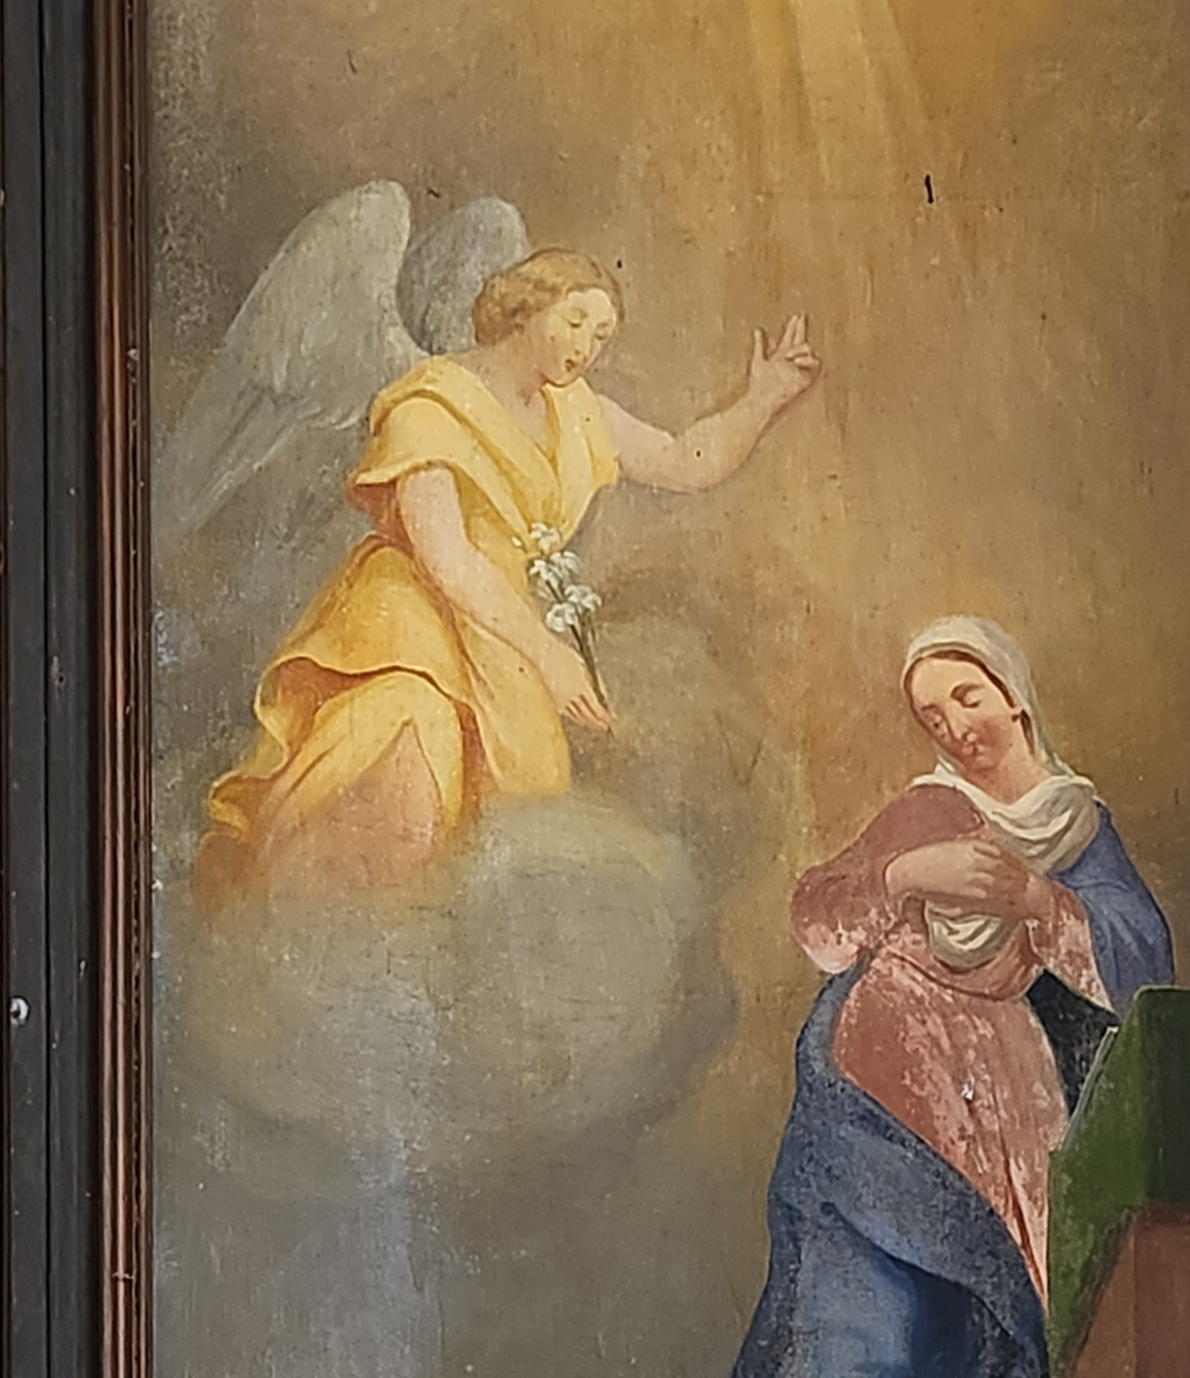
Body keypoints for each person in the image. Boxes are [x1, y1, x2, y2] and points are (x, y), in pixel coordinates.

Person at [693, 614, 1174, 1378]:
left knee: (984, 1329)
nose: (953, 726)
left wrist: (1039, 902)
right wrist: (906, 873)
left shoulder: (1076, 823)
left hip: (1005, 1106)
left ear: (1014, 696)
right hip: (877, 1087)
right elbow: (822, 917)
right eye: (931, 714)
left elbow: (1144, 961)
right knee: (863, 1324)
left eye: (967, 697)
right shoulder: (928, 808)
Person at [197, 250, 818, 899]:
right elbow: (448, 559)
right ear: (526, 308)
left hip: (498, 633)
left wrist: (763, 399)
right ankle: (284, 902)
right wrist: (548, 656)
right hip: (410, 621)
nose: (585, 347)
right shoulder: (432, 404)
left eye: (600, 336)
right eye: (574, 322)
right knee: (409, 746)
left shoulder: (578, 413)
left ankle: (395, 931)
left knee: (492, 822)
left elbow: (680, 459)